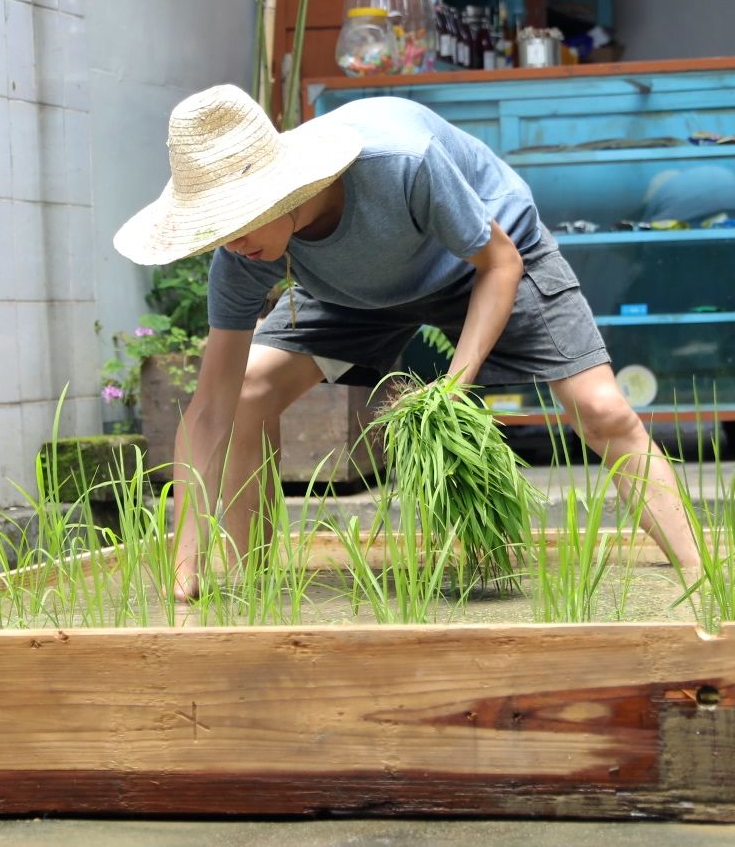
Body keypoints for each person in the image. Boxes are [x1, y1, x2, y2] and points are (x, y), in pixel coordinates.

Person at [114, 84, 702, 591]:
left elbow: (499, 264)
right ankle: (254, 587)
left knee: (601, 410)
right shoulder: (242, 252)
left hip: (480, 255)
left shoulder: (402, 163)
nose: (230, 241)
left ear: (281, 190)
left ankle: (701, 576)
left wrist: (452, 386)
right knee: (247, 394)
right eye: (216, 227)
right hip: (350, 292)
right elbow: (210, 407)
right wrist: (184, 562)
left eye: (238, 220)